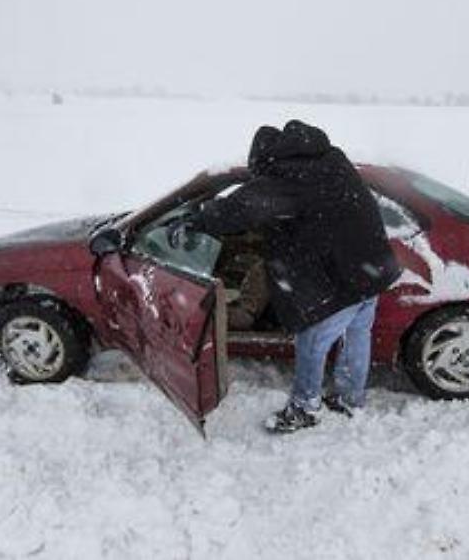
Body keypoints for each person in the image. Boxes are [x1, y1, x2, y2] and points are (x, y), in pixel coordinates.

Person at [170, 120, 401, 433]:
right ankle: (350, 398)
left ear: (265, 160)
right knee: (357, 333)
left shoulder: (290, 176)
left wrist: (199, 219)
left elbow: (244, 206)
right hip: (370, 268)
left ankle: (304, 408)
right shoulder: (329, 159)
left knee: (311, 341)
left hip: (344, 277)